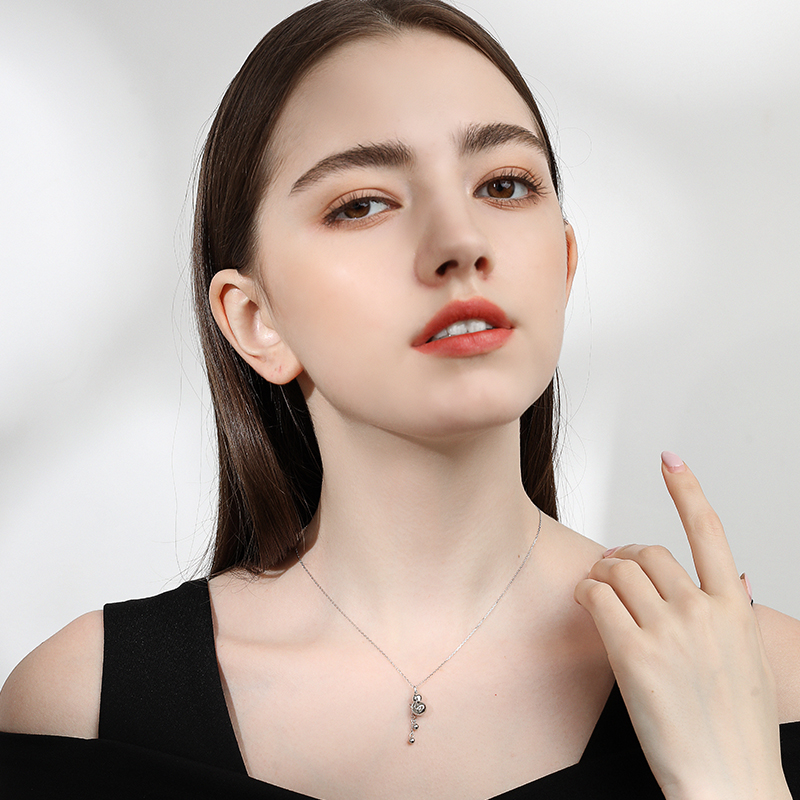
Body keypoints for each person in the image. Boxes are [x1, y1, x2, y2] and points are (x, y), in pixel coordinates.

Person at [1, 0, 799, 797]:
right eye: (362, 204)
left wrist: (734, 781)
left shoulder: (767, 679)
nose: (460, 243)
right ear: (255, 320)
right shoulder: (83, 707)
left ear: (562, 264)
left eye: (504, 184)